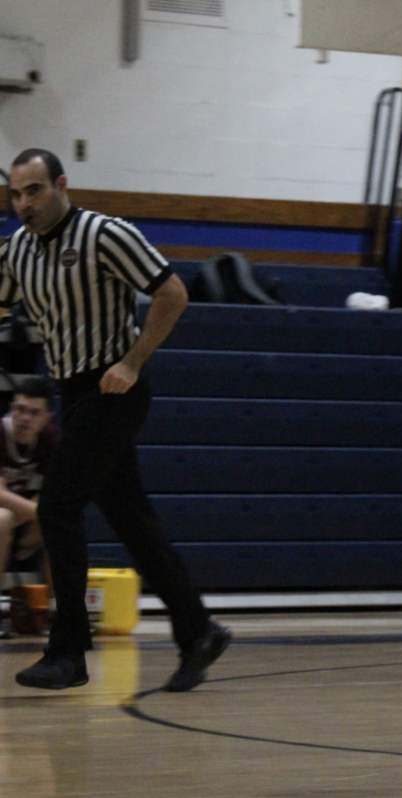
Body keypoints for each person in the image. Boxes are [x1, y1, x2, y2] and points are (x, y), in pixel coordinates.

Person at [0, 148, 230, 691]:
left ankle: (70, 649)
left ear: (60, 184)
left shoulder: (105, 233)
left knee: (56, 508)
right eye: (15, 194)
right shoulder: (15, 254)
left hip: (114, 387)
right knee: (132, 521)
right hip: (74, 391)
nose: (24, 203)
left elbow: (172, 294)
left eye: (34, 190)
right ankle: (199, 630)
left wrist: (133, 361)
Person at [0, 376, 58, 638]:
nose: (24, 418)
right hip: (7, 521)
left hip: (22, 525)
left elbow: (51, 495)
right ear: (12, 408)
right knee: (1, 519)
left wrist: (41, 513)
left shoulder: (51, 439)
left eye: (34, 413)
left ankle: (63, 613)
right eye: (20, 410)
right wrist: (38, 513)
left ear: (46, 418)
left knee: (60, 522)